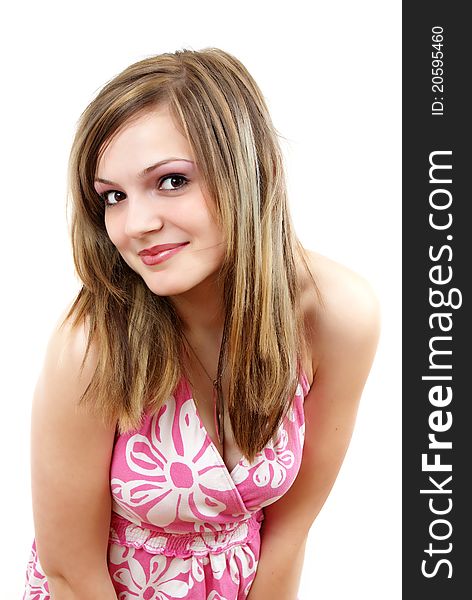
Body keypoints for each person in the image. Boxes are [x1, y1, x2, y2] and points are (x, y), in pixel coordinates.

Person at [23, 47, 380, 600]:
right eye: (113, 196)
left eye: (170, 181)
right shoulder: (91, 347)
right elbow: (70, 572)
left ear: (245, 169)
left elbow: (288, 534)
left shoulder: (336, 316)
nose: (136, 224)